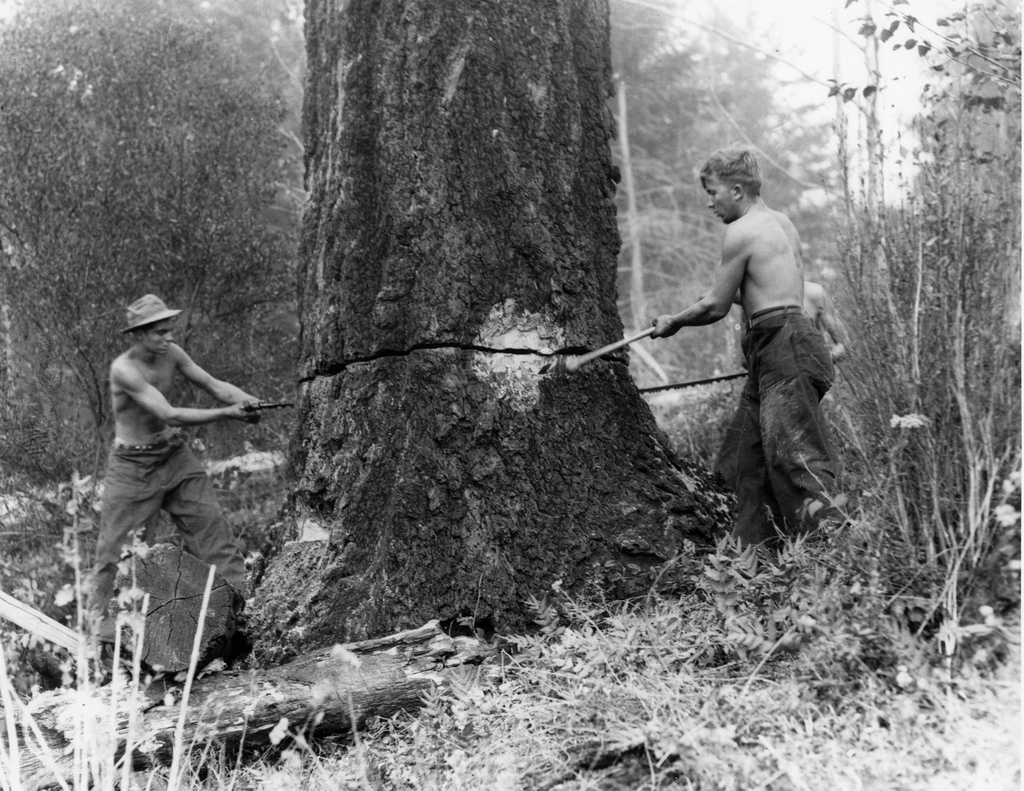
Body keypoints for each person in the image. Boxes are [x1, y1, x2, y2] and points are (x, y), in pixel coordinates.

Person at [651, 147, 839, 547]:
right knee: (746, 466)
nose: (709, 202)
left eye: (713, 191)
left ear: (736, 190)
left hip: (783, 347)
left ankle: (834, 558)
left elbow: (716, 305)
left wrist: (674, 322)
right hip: (784, 346)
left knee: (795, 459)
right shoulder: (781, 223)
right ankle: (749, 565)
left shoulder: (741, 231)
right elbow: (767, 291)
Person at [86, 294, 262, 634]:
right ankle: (102, 637)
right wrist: (229, 415)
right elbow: (170, 414)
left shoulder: (173, 354)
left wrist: (246, 401)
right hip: (132, 467)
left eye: (169, 331)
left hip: (174, 456)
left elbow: (213, 385)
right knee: (116, 554)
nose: (168, 338)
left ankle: (240, 614)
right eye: (159, 333)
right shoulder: (124, 369)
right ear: (138, 334)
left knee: (213, 533)